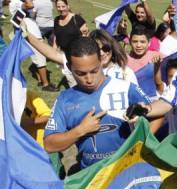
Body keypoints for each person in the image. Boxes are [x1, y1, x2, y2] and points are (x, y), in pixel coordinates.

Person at [43, 37, 156, 169]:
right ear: (69, 67)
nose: (89, 79)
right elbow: (49, 144)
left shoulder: (126, 88)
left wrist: (142, 139)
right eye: (81, 73)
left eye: (94, 71)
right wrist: (80, 130)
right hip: (92, 178)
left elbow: (156, 115)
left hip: (129, 170)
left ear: (101, 61)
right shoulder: (65, 99)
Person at [22, 25, 138, 85]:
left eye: (106, 48)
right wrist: (27, 35)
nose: (102, 52)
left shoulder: (125, 72)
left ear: (112, 49)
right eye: (98, 49)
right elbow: (53, 54)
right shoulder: (81, 66)